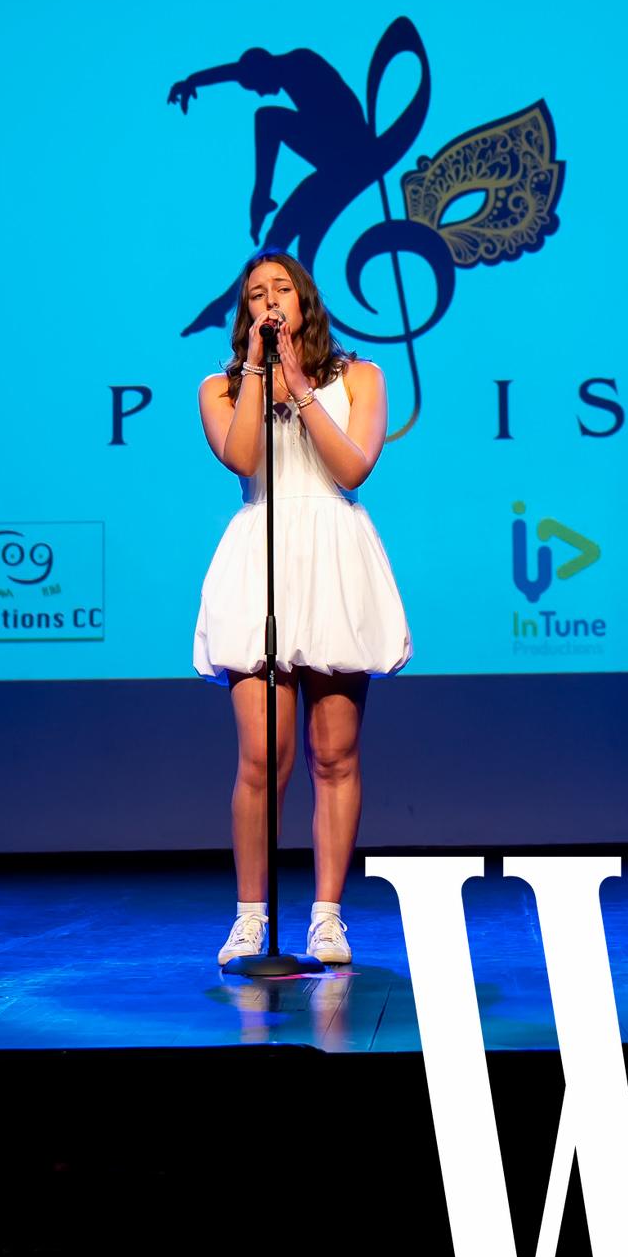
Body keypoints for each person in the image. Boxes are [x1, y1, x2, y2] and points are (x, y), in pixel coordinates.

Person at [193, 251, 412, 967]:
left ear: (305, 299)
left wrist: (302, 387)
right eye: (256, 293)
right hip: (261, 556)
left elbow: (352, 468)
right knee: (263, 756)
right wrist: (261, 373)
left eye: (281, 288)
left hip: (334, 558)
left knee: (334, 754)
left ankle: (327, 917)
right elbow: (244, 460)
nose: (269, 300)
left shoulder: (363, 377)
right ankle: (250, 918)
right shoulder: (220, 388)